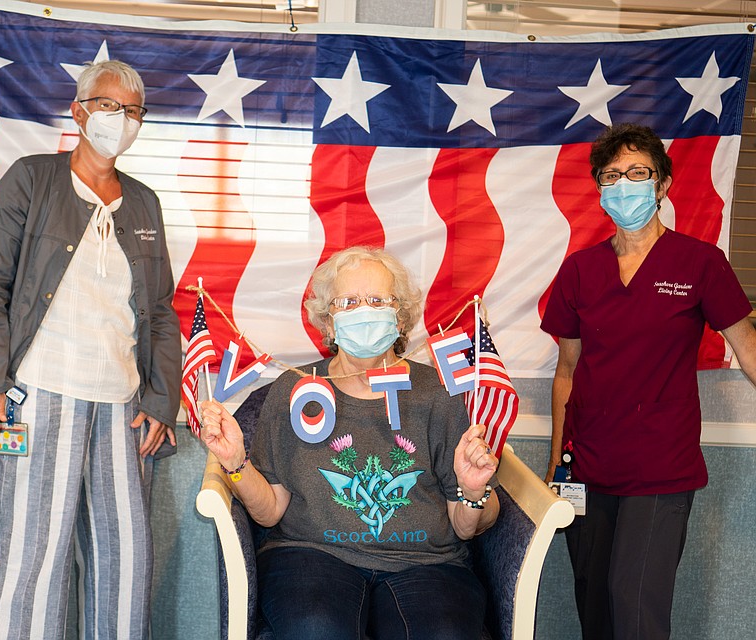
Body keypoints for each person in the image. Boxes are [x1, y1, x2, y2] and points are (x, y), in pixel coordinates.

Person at [0, 60, 182, 639]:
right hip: (31, 397)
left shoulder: (145, 204)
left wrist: (161, 401)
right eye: (109, 105)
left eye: (133, 111)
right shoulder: (31, 179)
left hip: (121, 406)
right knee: (27, 557)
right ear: (79, 111)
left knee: (124, 562)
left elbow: (160, 312)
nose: (121, 119)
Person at [200, 246, 499, 640]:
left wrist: (473, 491)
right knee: (317, 629)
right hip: (310, 555)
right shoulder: (295, 390)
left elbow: (467, 526)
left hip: (426, 563)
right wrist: (237, 463)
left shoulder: (438, 392)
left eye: (378, 300)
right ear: (328, 320)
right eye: (349, 302)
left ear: (401, 314)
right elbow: (270, 512)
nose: (364, 311)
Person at [541, 123, 756, 640]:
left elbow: (747, 347)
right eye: (611, 175)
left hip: (661, 470)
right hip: (586, 467)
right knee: (593, 607)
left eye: (638, 173)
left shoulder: (701, 263)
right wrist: (556, 466)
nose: (624, 185)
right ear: (599, 188)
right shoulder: (579, 271)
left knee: (635, 608)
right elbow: (567, 371)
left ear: (662, 185)